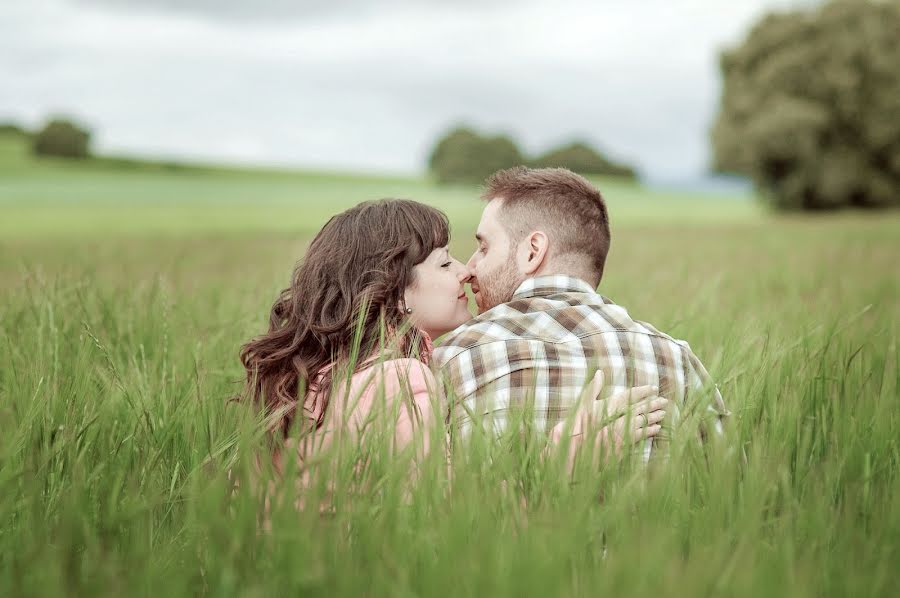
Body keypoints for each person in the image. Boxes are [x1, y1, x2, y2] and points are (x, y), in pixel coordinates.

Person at [238, 199, 667, 482]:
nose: (465, 271)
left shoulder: (324, 379)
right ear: (397, 292)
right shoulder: (396, 385)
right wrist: (575, 443)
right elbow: (442, 522)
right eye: (445, 264)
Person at [433, 167, 729, 458]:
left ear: (533, 251)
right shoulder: (677, 359)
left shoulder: (454, 356)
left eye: (484, 248)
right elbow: (731, 488)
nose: (469, 268)